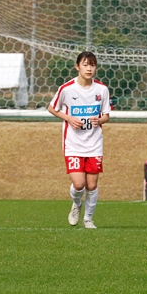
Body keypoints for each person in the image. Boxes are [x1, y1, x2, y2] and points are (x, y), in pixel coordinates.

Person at [48, 51, 111, 229]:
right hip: (73, 144)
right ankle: (76, 204)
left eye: (92, 65)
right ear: (77, 67)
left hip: (94, 144)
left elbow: (106, 116)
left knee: (92, 185)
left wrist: (99, 120)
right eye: (85, 64)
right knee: (79, 184)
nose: (89, 68)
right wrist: (68, 118)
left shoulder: (102, 89)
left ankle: (88, 219)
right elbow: (52, 108)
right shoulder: (67, 89)